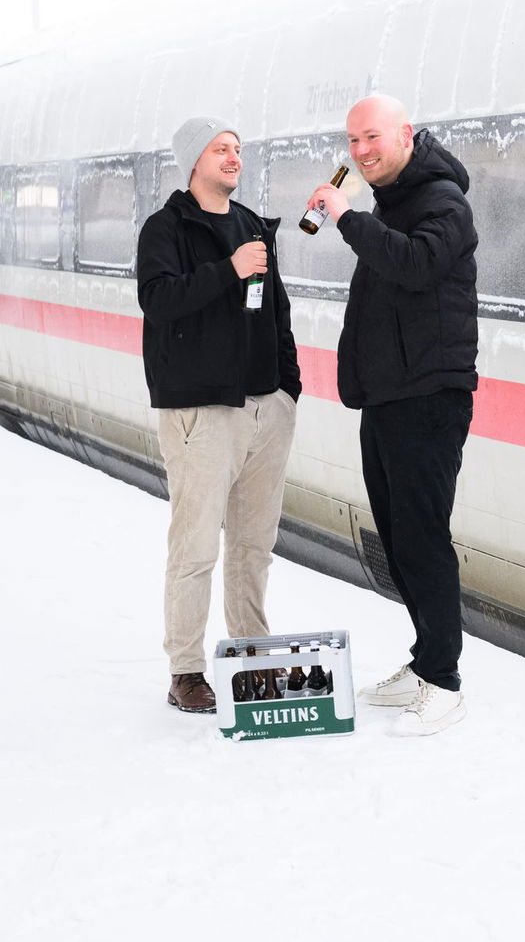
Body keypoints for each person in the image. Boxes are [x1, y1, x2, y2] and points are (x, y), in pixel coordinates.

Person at [307, 94, 478, 737]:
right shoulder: (394, 203)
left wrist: (347, 215)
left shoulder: (444, 202)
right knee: (398, 536)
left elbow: (415, 266)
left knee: (424, 536)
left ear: (406, 135)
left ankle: (445, 681)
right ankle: (425, 658)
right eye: (352, 142)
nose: (360, 152)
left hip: (430, 399)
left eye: (371, 137)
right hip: (388, 399)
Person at [137, 117, 300, 713]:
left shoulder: (254, 225)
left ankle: (252, 655)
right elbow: (158, 301)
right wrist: (227, 270)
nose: (233, 158)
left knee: (254, 545)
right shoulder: (166, 228)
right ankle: (186, 670)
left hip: (266, 408)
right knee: (196, 546)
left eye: (237, 149)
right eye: (220, 149)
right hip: (200, 412)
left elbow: (276, 310)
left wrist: (289, 389)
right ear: (193, 161)